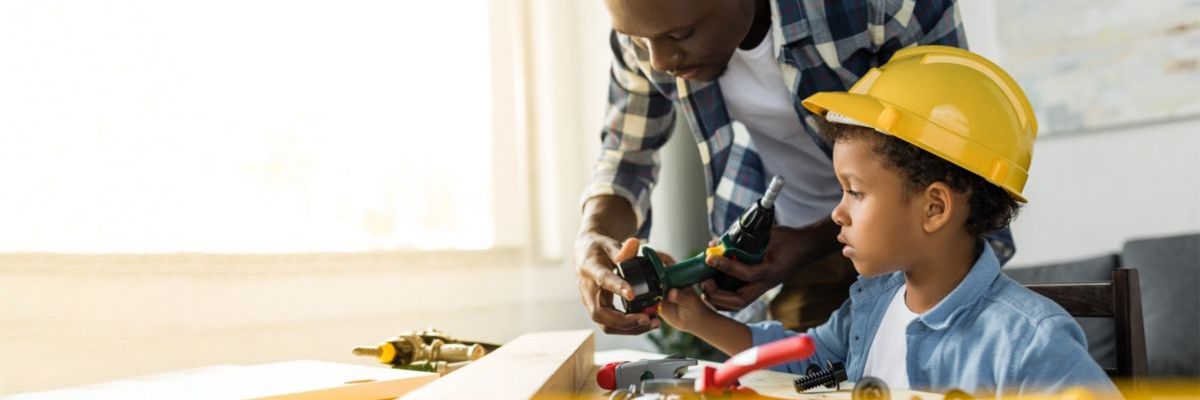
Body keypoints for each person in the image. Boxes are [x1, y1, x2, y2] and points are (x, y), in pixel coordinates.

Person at [637, 45, 1117, 396]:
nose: (836, 212)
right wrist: (697, 319)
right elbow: (803, 359)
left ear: (934, 209)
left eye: (855, 192)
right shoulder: (875, 301)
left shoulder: (1029, 342)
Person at [577, 0, 1016, 335]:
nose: (658, 61)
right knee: (806, 376)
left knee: (932, 362)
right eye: (639, 40)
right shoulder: (649, 29)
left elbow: (954, 156)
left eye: (680, 34)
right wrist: (595, 234)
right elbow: (626, 157)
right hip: (795, 249)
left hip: (917, 240)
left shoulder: (886, 6)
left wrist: (812, 241)